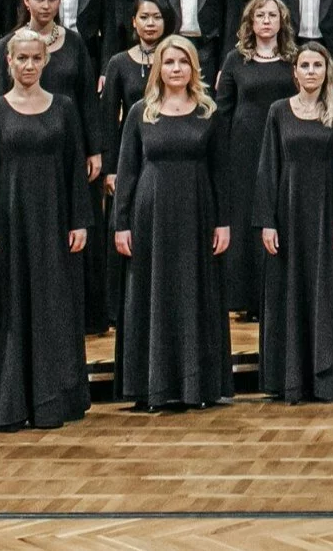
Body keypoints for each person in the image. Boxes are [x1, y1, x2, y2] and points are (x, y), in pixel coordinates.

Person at [0, 28, 92, 430]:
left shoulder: (65, 107)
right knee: (10, 308)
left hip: (54, 224)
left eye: (36, 58)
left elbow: (75, 169)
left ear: (46, 61)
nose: (29, 65)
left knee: (54, 307)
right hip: (8, 225)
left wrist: (80, 221)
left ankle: (55, 400)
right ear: (8, 61)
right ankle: (9, 403)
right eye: (21, 58)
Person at [112, 35, 232, 410]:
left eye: (182, 61)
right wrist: (121, 224)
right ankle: (152, 385)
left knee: (194, 291)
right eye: (169, 62)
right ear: (158, 68)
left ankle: (197, 385)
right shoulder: (140, 112)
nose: (176, 68)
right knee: (152, 292)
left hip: (197, 213)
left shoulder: (208, 111)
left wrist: (223, 222)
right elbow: (127, 170)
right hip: (150, 215)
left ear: (193, 67)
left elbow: (220, 171)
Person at [252, 42, 333, 402]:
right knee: (290, 291)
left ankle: (328, 378)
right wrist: (267, 221)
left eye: (318, 65)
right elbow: (268, 168)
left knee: (326, 292)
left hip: (327, 215)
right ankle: (291, 378)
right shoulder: (278, 111)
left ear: (326, 71)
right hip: (288, 216)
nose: (311, 71)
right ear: (295, 72)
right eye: (305, 65)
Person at [215, 0, 299, 319]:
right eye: (260, 15)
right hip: (244, 146)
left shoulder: (294, 58)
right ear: (250, 22)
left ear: (282, 22)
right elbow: (223, 109)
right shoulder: (235, 59)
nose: (266, 20)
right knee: (248, 215)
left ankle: (278, 292)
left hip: (283, 144)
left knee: (278, 211)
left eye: (272, 15)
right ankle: (247, 297)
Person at [99, 0, 171, 328]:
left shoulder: (177, 58)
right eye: (145, 17)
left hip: (168, 157)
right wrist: (112, 168)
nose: (151, 23)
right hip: (132, 157)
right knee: (124, 229)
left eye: (157, 17)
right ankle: (122, 308)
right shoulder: (118, 63)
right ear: (133, 22)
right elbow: (108, 119)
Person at [0, 0, 103, 177]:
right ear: (26, 0)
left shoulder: (74, 42)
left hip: (68, 138)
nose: (46, 5)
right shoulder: (8, 45)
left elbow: (87, 98)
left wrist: (94, 149)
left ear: (60, 0)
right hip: (21, 141)